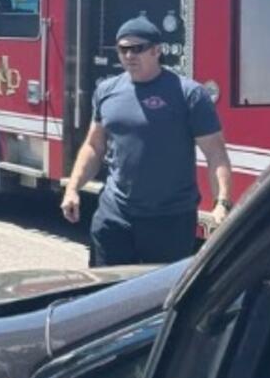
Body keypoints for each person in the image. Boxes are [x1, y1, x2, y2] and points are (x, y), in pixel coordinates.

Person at [61, 16, 234, 266]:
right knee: (104, 292)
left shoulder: (189, 94)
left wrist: (222, 204)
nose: (129, 55)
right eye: (123, 49)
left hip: (170, 217)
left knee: (159, 295)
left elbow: (215, 154)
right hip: (115, 213)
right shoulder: (107, 91)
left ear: (156, 50)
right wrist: (73, 189)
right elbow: (94, 145)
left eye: (137, 48)